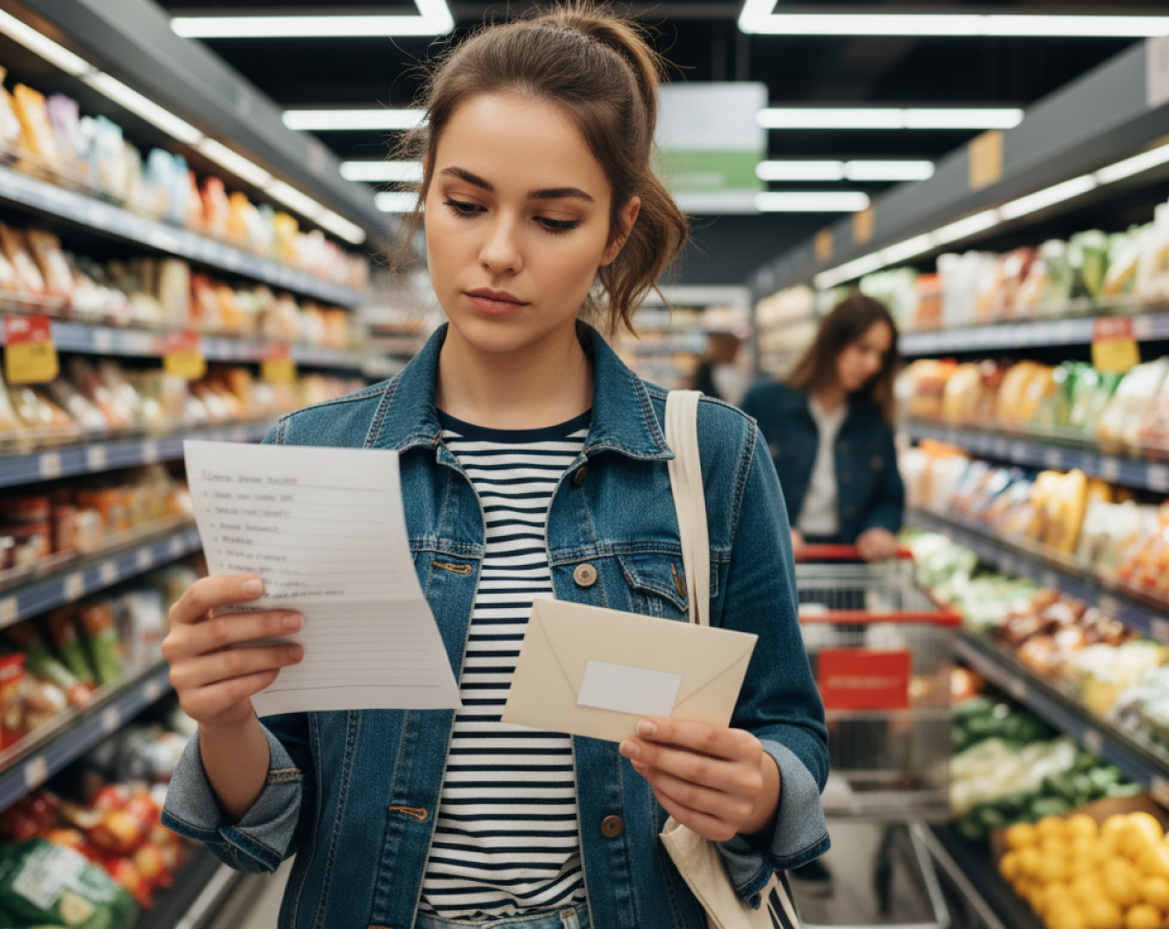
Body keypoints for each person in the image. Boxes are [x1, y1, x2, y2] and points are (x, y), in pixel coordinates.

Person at [159, 5, 829, 928]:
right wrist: (225, 716)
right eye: (466, 204)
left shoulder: (713, 456)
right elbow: (273, 809)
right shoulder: (311, 458)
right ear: (424, 196)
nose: (500, 252)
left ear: (616, 229)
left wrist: (756, 789)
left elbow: (788, 725)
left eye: (554, 218)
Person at [741, 293, 904, 562]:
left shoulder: (874, 419)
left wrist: (881, 528)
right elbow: (732, 486)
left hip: (846, 561)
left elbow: (889, 495)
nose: (874, 365)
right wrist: (771, 530)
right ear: (832, 343)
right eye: (863, 349)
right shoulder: (764, 403)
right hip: (773, 561)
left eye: (881, 355)